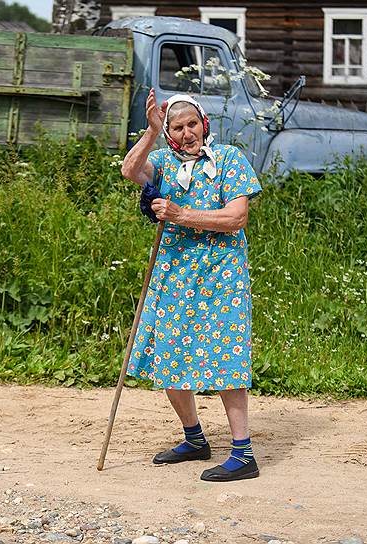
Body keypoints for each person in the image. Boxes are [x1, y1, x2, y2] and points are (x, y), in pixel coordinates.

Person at [120, 88, 262, 482]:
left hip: (221, 275)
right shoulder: (163, 161)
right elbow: (130, 171)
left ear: (205, 124)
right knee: (169, 352)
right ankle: (195, 439)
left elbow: (236, 217)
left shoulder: (230, 159)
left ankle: (243, 453)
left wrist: (181, 214)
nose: (186, 133)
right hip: (174, 272)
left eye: (192, 124)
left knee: (226, 358)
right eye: (177, 127)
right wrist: (150, 132)